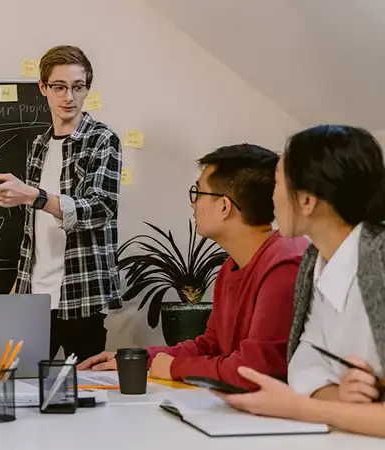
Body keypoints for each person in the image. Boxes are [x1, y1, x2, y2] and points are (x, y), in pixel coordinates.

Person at [79, 144, 309, 389]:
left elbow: (254, 370)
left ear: (224, 206)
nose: (193, 204)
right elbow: (211, 345)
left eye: (198, 193)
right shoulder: (232, 266)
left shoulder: (284, 264)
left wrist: (174, 368)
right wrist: (141, 359)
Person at [216, 125, 385, 438]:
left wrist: (298, 407)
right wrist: (342, 395)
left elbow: (305, 393)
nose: (272, 195)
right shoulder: (315, 264)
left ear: (307, 201)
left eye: (278, 182)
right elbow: (305, 366)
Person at [0, 45, 121, 360]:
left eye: (78, 87)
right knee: (26, 390)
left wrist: (33, 195)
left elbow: (99, 208)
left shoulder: (102, 139)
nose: (69, 97)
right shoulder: (39, 146)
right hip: (36, 299)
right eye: (59, 87)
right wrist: (19, 289)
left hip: (81, 295)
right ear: (43, 88)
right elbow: (34, 231)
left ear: (87, 89)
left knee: (85, 397)